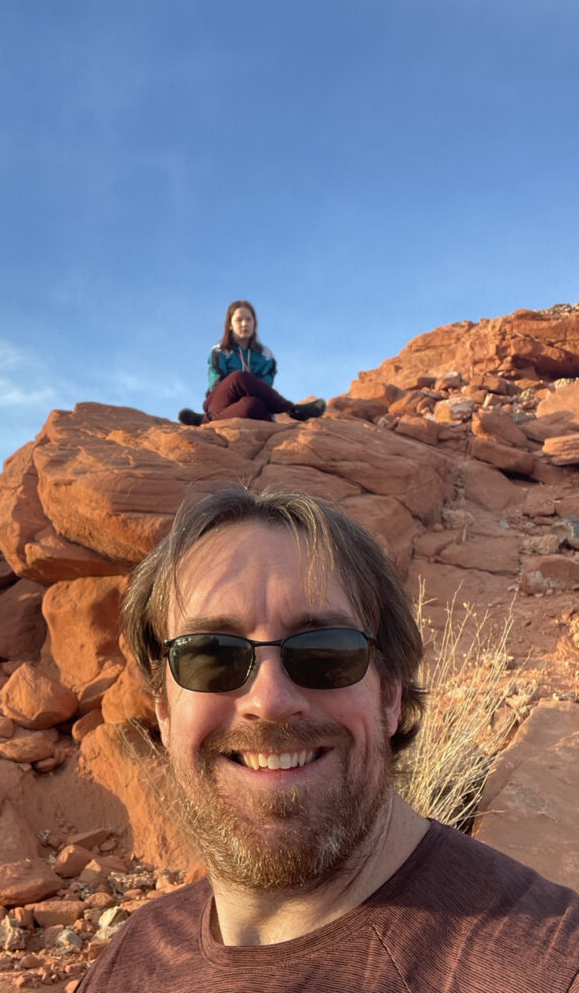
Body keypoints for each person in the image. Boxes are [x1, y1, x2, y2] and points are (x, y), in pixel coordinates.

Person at [77, 486, 579, 992]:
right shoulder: (131, 961)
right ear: (163, 711)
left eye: (325, 651)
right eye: (212, 655)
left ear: (391, 697)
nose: (270, 701)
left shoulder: (547, 968)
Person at [177, 299, 326, 426]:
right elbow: (217, 383)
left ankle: (202, 420)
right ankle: (292, 409)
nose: (244, 324)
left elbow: (265, 387)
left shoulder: (265, 355)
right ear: (230, 325)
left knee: (254, 404)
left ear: (255, 323)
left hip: (249, 405)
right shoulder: (220, 351)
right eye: (239, 320)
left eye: (249, 319)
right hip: (220, 401)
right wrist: (244, 385)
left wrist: (251, 391)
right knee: (239, 378)